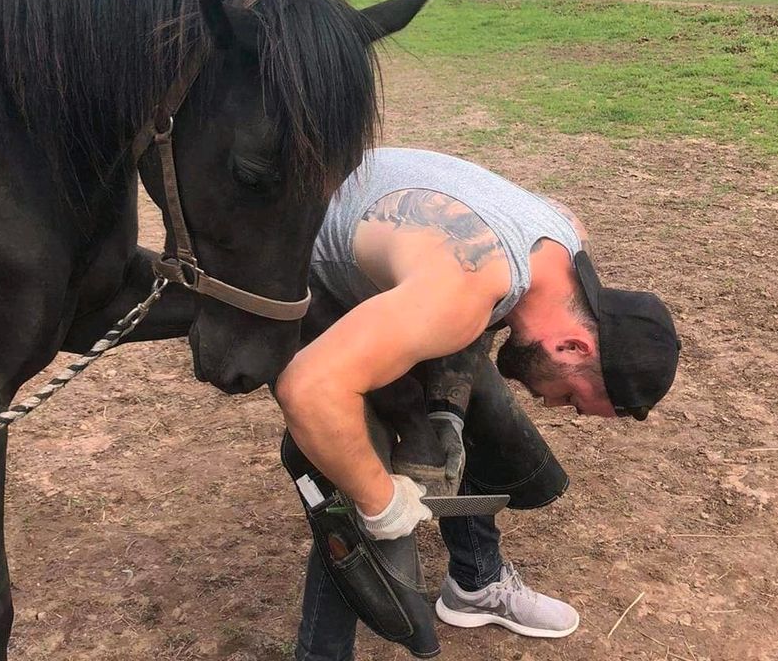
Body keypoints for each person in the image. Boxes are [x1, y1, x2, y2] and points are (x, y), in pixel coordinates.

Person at [275, 147, 680, 660]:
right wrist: (383, 501)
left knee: (466, 423)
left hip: (385, 242)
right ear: (575, 346)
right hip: (287, 250)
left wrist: (447, 411)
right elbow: (309, 390)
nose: (556, 407)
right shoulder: (464, 293)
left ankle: (475, 582)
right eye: (573, 399)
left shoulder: (565, 238)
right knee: (352, 479)